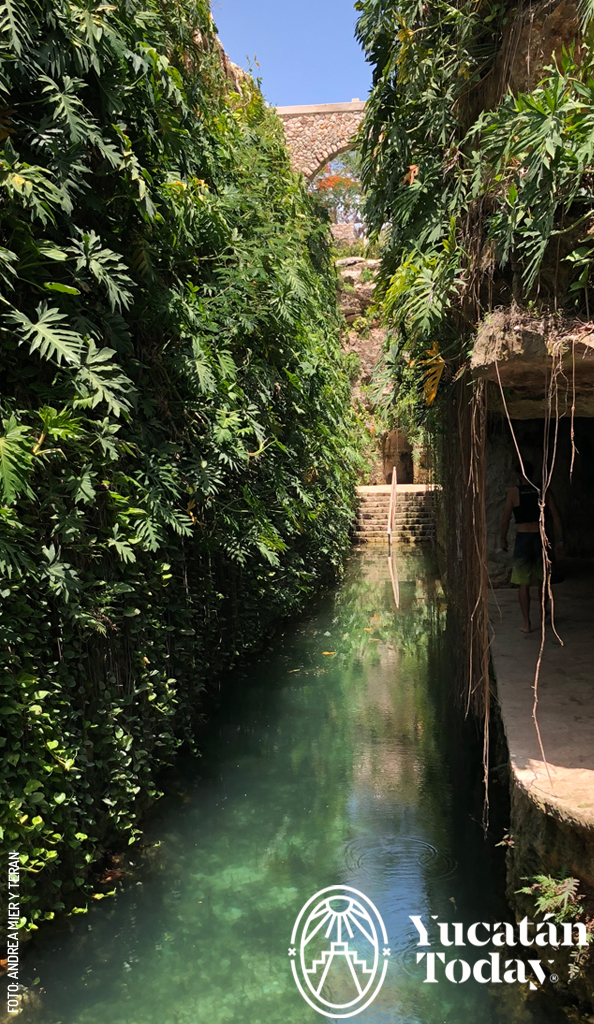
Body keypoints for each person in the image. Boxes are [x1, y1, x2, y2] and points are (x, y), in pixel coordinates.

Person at [500, 461, 564, 634]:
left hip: (523, 539)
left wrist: (503, 539)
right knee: (542, 581)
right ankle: (543, 615)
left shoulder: (514, 492)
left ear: (519, 475)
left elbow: (505, 519)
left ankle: (527, 623)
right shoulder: (543, 491)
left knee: (523, 583)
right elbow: (556, 516)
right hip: (540, 539)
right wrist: (560, 539)